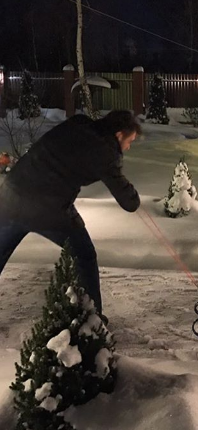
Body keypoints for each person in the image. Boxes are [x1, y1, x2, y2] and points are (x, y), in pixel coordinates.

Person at [0, 110, 141, 321]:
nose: (128, 147)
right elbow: (129, 203)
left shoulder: (79, 122)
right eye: (130, 141)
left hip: (12, 194)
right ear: (119, 134)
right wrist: (133, 196)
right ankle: (92, 319)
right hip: (49, 210)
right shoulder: (106, 153)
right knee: (85, 256)